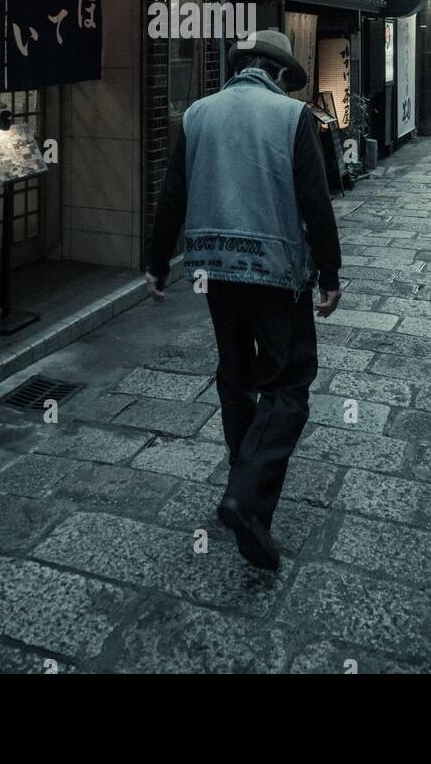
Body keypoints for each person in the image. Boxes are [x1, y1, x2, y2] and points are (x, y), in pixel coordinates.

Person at [146, 30, 342, 573]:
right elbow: (315, 201)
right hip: (276, 273)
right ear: (278, 72)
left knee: (235, 375)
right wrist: (330, 272)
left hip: (213, 272)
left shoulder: (197, 115)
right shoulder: (291, 116)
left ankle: (242, 479)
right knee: (288, 383)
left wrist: (157, 262)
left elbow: (171, 195)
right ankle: (247, 497)